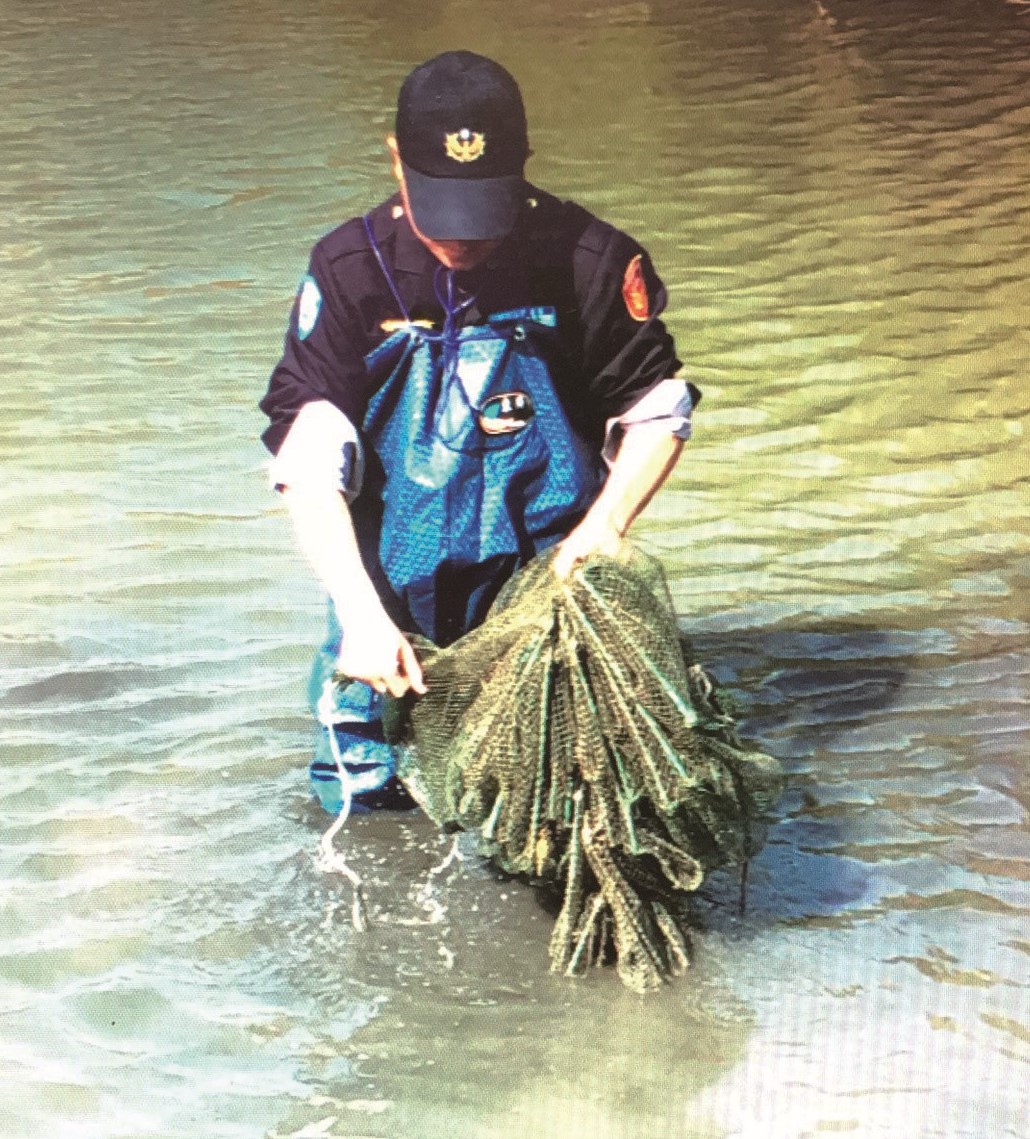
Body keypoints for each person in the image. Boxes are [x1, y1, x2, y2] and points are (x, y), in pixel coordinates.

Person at [259, 51, 698, 814]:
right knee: (365, 795)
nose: (462, 243)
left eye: (482, 218)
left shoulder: (591, 261)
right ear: (396, 160)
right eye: (442, 216)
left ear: (523, 163)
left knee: (560, 801)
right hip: (386, 585)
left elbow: (658, 408)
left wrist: (605, 526)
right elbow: (307, 450)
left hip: (543, 583)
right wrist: (362, 615)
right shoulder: (348, 269)